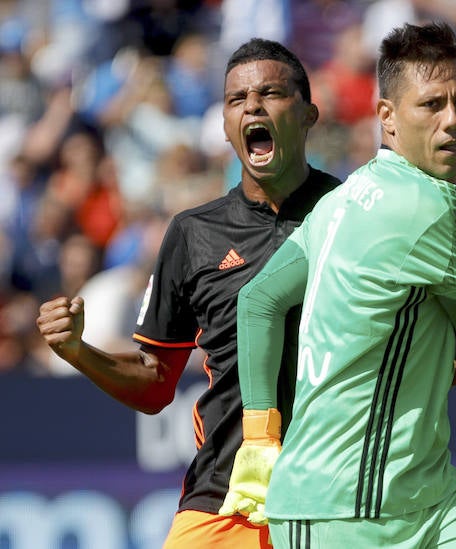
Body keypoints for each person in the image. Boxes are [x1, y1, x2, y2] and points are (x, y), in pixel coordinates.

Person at [219, 22, 456, 548]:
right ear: (387, 117)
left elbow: (259, 299)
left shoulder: (335, 202)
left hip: (430, 492)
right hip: (337, 507)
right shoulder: (436, 203)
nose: (453, 122)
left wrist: (262, 433)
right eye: (432, 106)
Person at [35, 38, 343, 548]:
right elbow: (157, 383)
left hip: (337, 503)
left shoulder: (353, 214)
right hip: (224, 503)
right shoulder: (192, 233)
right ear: (224, 126)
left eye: (270, 93)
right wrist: (76, 351)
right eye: (236, 99)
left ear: (309, 113)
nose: (252, 106)